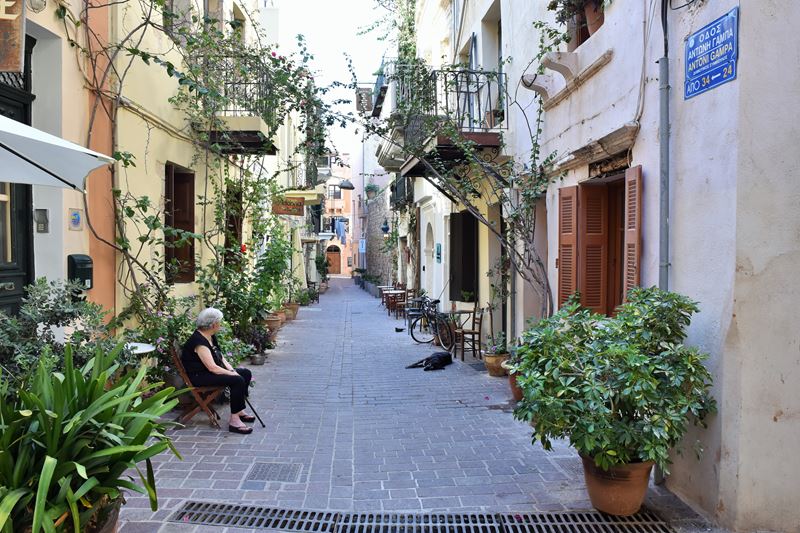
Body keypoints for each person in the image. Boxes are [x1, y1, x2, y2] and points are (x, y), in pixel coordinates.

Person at [181, 307, 256, 434]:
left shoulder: (209, 336)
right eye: (219, 322)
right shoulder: (199, 342)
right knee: (237, 380)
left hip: (207, 372)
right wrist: (232, 374)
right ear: (214, 324)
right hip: (199, 376)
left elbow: (220, 357)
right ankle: (234, 421)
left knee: (245, 373)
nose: (220, 325)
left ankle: (239, 411)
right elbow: (212, 367)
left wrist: (232, 369)